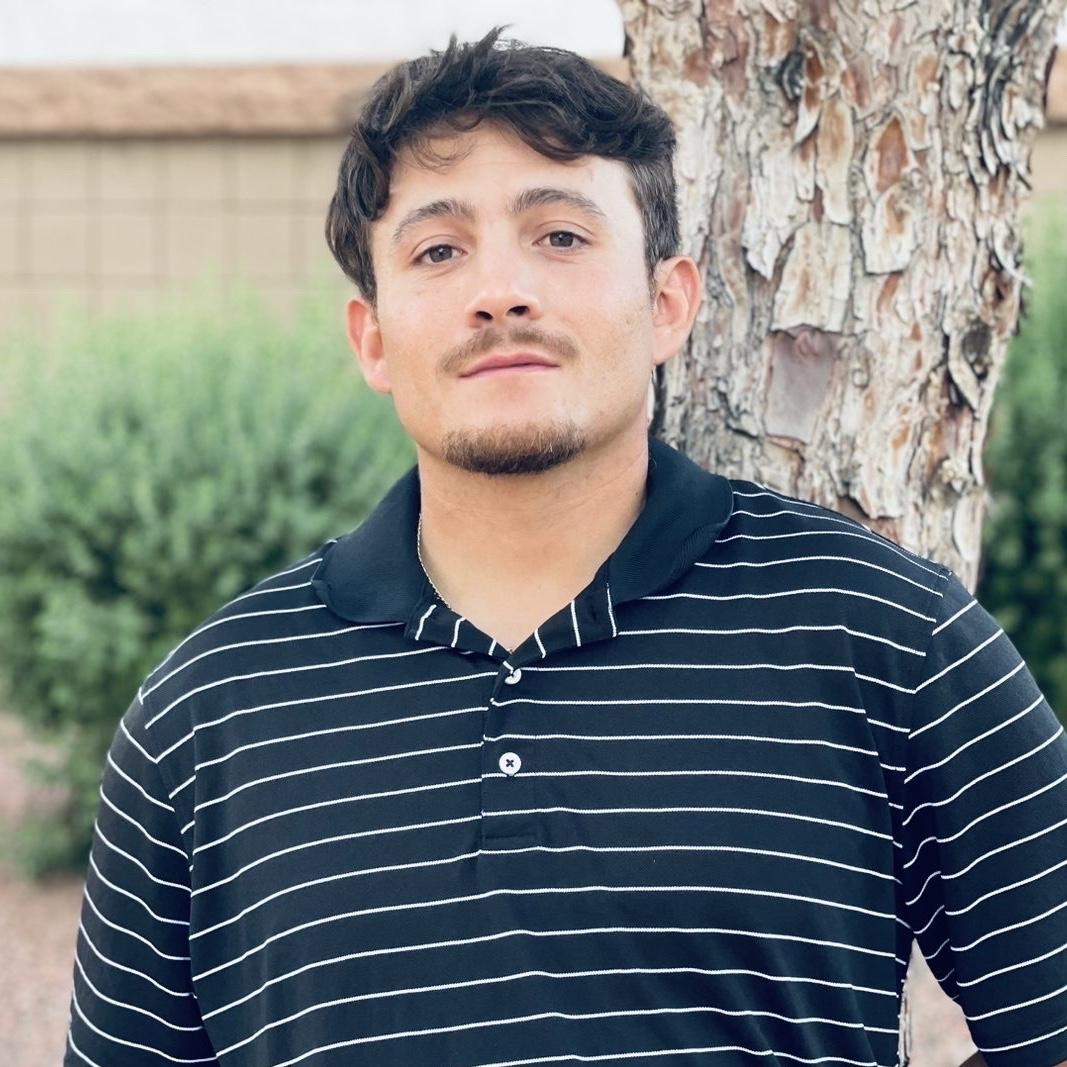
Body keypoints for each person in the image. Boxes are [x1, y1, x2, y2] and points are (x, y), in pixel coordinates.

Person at [64, 27, 1067, 1067]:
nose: (500, 290)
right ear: (372, 337)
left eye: (559, 235)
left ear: (666, 303)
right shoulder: (212, 708)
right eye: (438, 250)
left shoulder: (878, 634)